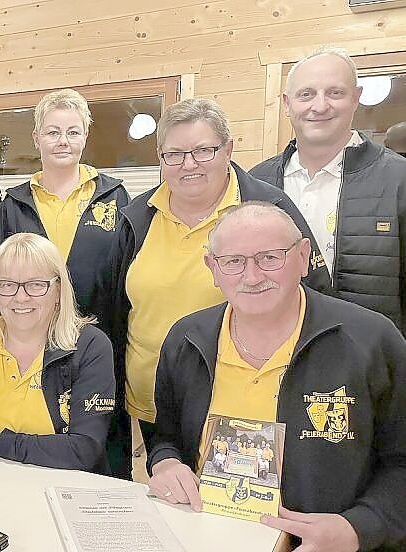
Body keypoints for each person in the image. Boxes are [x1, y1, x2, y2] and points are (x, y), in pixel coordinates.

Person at [147, 202, 406, 552]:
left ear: (303, 257)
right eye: (234, 261)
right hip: (207, 537)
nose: (252, 277)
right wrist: (165, 463)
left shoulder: (372, 341)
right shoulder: (186, 340)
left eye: (270, 257)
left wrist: (358, 528)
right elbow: (167, 437)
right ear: (213, 267)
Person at [100, 98, 330, 480]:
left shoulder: (268, 207)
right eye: (174, 154)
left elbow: (316, 298)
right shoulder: (137, 216)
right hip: (153, 406)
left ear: (228, 150)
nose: (188, 164)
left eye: (203, 150)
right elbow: (114, 307)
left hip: (244, 411)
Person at [251, 48, 406, 332]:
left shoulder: (399, 179)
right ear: (287, 104)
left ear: (356, 98)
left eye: (335, 93)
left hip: (371, 361)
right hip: (276, 354)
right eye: (306, 94)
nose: (320, 106)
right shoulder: (256, 183)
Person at [0, 233, 115, 471]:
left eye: (36, 285)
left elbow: (84, 450)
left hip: (60, 493)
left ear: (59, 291)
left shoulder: (90, 347)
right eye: (7, 285)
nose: (20, 297)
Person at [0, 88, 129, 321]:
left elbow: (127, 275)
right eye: (53, 133)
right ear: (36, 139)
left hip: (101, 334)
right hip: (31, 335)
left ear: (85, 137)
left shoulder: (115, 197)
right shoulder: (13, 206)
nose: (63, 141)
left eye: (73, 132)